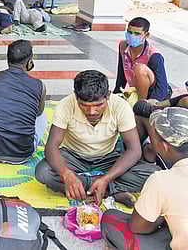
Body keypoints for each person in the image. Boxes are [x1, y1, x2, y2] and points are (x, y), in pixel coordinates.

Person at [35, 70, 160, 207]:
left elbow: (134, 150)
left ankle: (97, 187)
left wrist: (107, 178)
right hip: (73, 156)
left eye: (98, 105)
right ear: (76, 97)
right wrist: (66, 174)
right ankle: (111, 190)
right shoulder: (66, 105)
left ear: (108, 96)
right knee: (43, 172)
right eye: (84, 106)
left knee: (154, 174)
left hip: (108, 157)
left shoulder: (121, 107)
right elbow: (51, 146)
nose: (91, 112)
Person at [101, 107, 188, 250]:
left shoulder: (162, 180)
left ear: (164, 147)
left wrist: (160, 215)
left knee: (110, 219)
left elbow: (137, 227)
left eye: (153, 138)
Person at [113, 17, 170, 101]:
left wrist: (150, 103)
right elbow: (121, 73)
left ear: (146, 35)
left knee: (140, 68)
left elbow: (162, 88)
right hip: (135, 90)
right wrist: (116, 94)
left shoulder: (154, 55)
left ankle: (140, 103)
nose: (132, 36)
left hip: (154, 94)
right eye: (129, 32)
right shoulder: (123, 45)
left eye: (137, 34)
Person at [133, 94, 188, 164]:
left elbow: (142, 108)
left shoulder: (185, 101)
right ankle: (149, 152)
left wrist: (145, 102)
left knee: (152, 119)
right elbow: (159, 104)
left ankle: (151, 155)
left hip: (175, 153)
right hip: (181, 149)